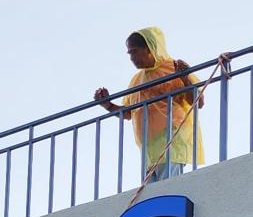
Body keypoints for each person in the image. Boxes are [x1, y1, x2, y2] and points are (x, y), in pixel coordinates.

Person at [93, 27, 230, 183]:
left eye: (134, 51)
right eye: (129, 53)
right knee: (152, 197)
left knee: (167, 189)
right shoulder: (137, 80)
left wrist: (184, 78)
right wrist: (107, 105)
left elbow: (198, 102)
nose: (131, 57)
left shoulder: (173, 69)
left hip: (172, 140)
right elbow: (128, 113)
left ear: (149, 48)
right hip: (149, 149)